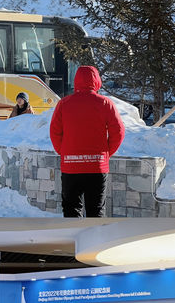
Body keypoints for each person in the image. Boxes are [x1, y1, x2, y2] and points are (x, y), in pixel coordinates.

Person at [49, 65, 125, 218]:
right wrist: (106, 153)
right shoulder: (105, 103)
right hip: (97, 167)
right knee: (96, 212)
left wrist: (64, 152)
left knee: (71, 212)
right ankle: (95, 241)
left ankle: (74, 240)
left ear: (76, 81)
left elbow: (55, 133)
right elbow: (118, 132)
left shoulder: (64, 104)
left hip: (70, 167)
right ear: (97, 81)